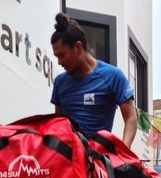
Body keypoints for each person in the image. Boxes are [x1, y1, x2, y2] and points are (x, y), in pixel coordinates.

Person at [50, 13, 138, 147]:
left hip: (98, 160)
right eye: (57, 57)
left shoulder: (113, 76)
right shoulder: (60, 83)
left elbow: (131, 118)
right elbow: (57, 125)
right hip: (68, 158)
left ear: (78, 48)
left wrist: (124, 153)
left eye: (62, 55)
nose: (59, 62)